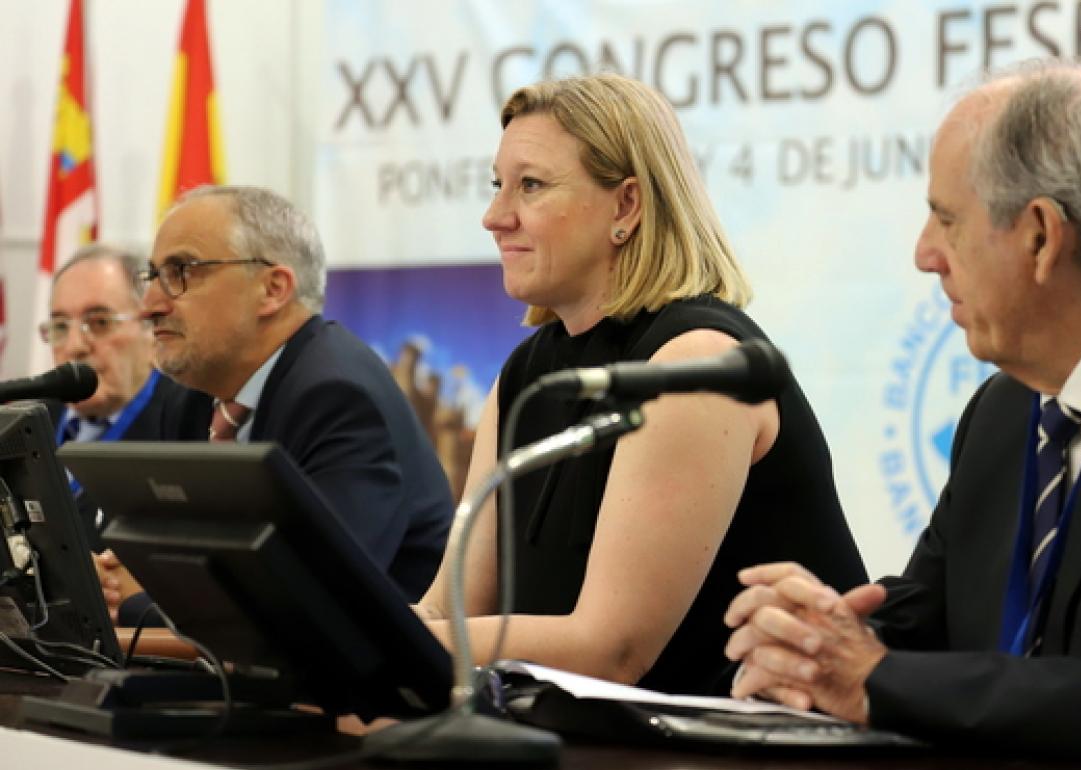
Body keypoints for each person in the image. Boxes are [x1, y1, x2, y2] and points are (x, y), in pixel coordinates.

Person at [723, 59, 1081, 767]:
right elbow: (935, 621)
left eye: (946, 219)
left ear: (1039, 236)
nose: (924, 254)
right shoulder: (1005, 408)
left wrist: (876, 678)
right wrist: (820, 634)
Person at [415, 72, 866, 696]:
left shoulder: (696, 361)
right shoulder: (528, 374)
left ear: (625, 206)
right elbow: (447, 610)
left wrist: (383, 645)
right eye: (499, 185)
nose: (495, 217)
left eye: (531, 186)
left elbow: (612, 650)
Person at [100, 185, 455, 624]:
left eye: (181, 272)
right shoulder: (190, 397)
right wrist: (117, 574)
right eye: (152, 276)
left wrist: (139, 603)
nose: (150, 305)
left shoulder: (339, 398)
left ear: (273, 289)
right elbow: (178, 558)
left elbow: (314, 603)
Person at [41, 244, 211, 551]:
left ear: (151, 330)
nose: (75, 346)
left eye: (99, 322)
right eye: (60, 326)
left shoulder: (191, 424)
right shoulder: (32, 423)